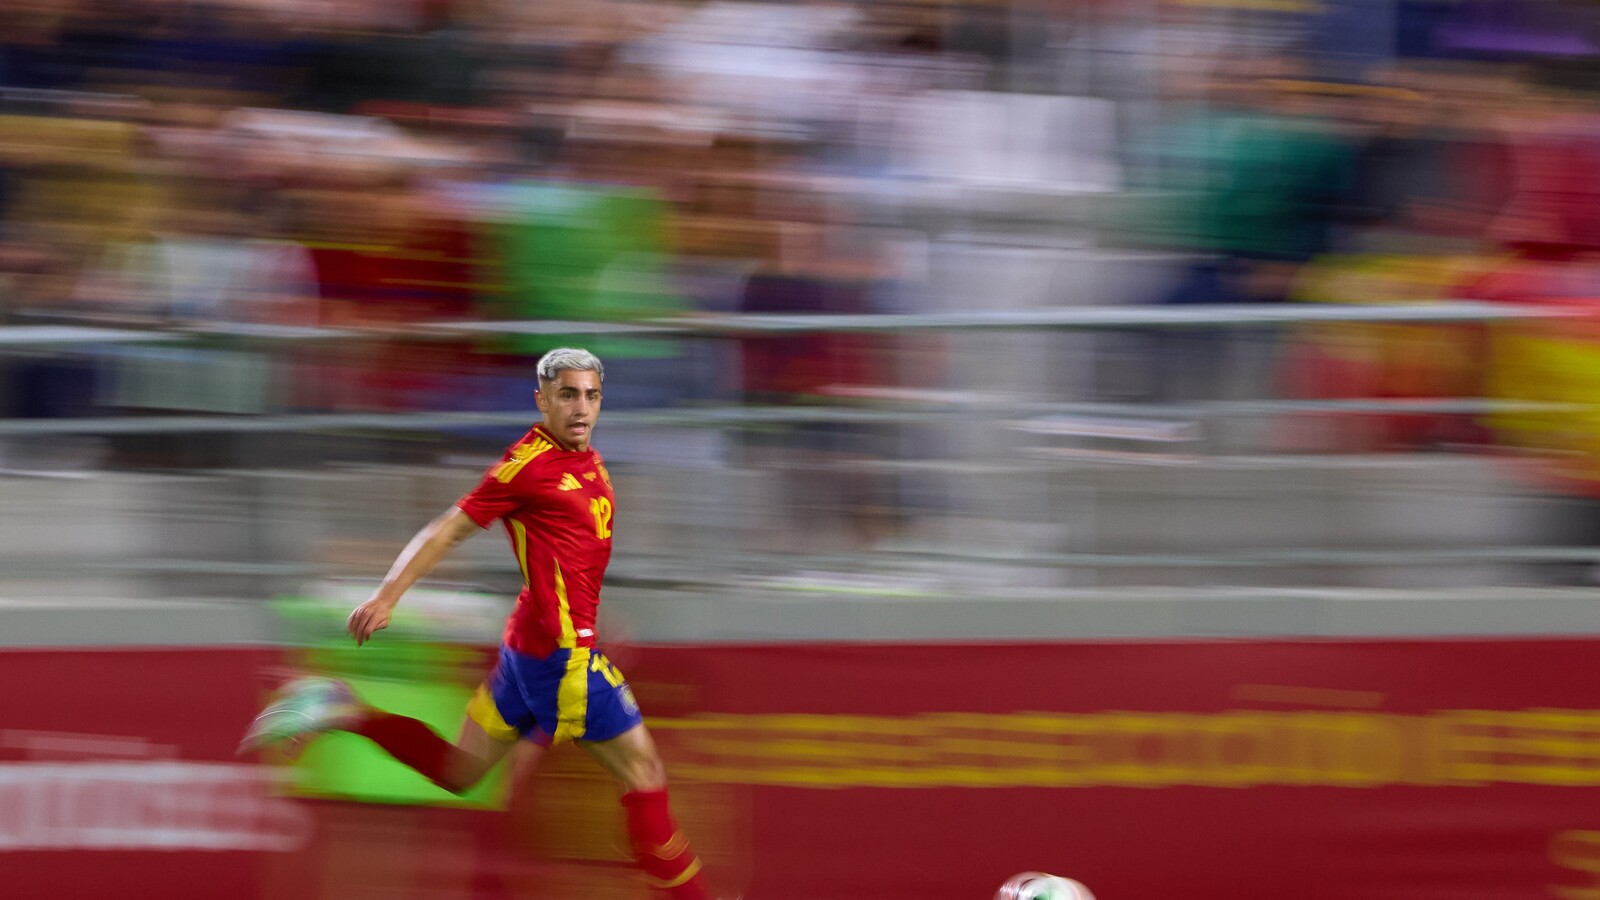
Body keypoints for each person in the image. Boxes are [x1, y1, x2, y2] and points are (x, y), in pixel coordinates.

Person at [240, 347, 714, 899]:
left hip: (528, 653)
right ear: (542, 401)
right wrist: (388, 596)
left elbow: (564, 557)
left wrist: (592, 609)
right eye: (567, 395)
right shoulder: (527, 466)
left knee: (460, 771)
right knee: (644, 777)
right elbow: (447, 529)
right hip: (564, 662)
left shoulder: (586, 460)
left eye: (591, 395)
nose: (581, 407)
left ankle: (343, 708)